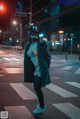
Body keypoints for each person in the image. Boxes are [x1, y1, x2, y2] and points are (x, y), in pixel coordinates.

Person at [24, 26, 51, 114]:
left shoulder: (41, 46)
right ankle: (41, 104)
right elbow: (27, 59)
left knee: (37, 88)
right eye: (32, 35)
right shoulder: (29, 46)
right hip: (35, 71)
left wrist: (44, 69)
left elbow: (48, 58)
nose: (33, 37)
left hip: (40, 71)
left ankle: (42, 106)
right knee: (36, 88)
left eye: (34, 35)